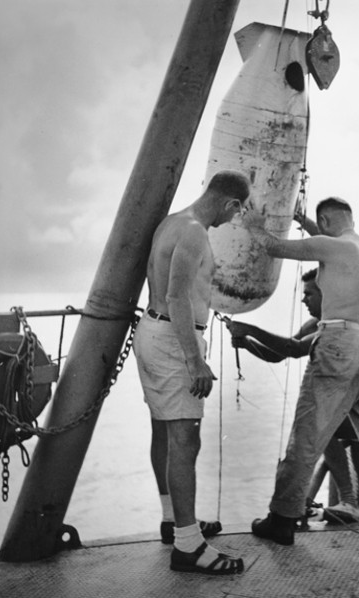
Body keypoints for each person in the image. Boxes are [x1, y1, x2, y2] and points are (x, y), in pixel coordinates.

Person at [243, 197, 359, 545]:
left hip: (341, 342)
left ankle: (282, 518)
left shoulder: (331, 247)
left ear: (325, 222)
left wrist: (252, 225)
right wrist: (306, 222)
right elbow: (326, 244)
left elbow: (274, 246)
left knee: (308, 432)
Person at [133, 170, 250, 575]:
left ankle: (174, 520)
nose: (234, 220)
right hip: (173, 338)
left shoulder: (172, 221)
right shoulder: (196, 231)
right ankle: (188, 546)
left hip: (154, 331)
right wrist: (194, 360)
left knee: (165, 431)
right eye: (238, 213)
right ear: (232, 204)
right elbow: (177, 295)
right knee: (186, 440)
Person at [227, 269, 359, 524]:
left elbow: (295, 347)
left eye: (309, 294)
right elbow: (280, 354)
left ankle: (351, 501)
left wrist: (251, 329)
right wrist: (247, 343)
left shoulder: (343, 324)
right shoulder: (315, 325)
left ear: (328, 294)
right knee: (358, 469)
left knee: (326, 430)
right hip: (343, 408)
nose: (304, 300)